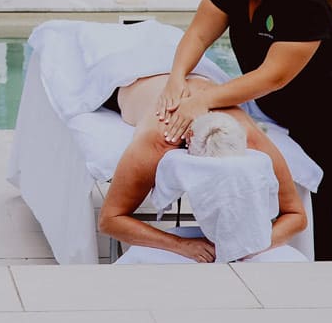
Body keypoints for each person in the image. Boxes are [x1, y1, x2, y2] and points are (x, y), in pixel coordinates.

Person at [155, 0, 332, 261]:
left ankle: (326, 283)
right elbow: (198, 34)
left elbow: (274, 76)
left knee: (316, 210)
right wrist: (176, 78)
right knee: (268, 199)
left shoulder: (306, 2)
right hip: (275, 108)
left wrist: (203, 100)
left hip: (328, 118)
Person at [98, 72, 308, 263]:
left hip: (201, 73)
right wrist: (180, 245)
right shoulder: (156, 142)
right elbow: (109, 219)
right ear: (188, 139)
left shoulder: (253, 140)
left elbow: (297, 215)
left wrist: (252, 246)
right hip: (132, 77)